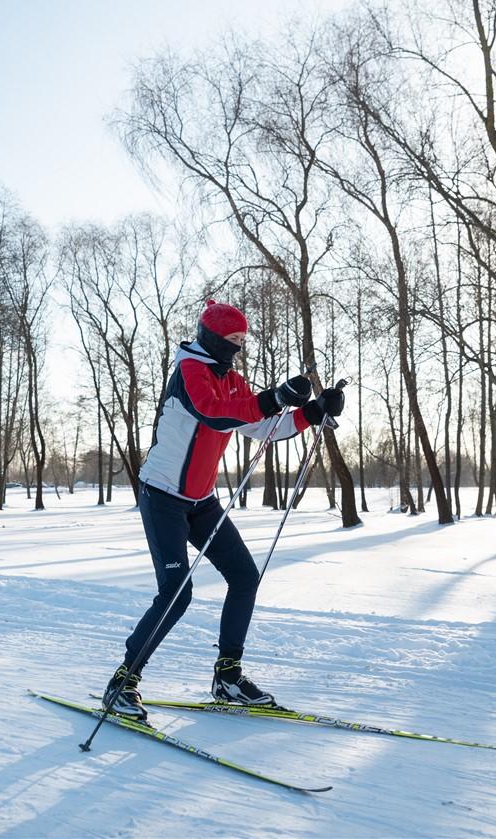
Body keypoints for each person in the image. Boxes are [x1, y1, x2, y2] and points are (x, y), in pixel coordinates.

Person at [102, 300, 345, 720]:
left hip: (201, 501)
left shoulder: (233, 380)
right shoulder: (189, 372)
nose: (237, 348)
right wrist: (273, 397)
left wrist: (311, 412)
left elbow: (263, 426)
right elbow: (213, 415)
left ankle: (228, 676)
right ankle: (123, 680)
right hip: (162, 497)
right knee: (177, 595)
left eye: (240, 341)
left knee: (244, 577)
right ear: (212, 337)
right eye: (231, 340)